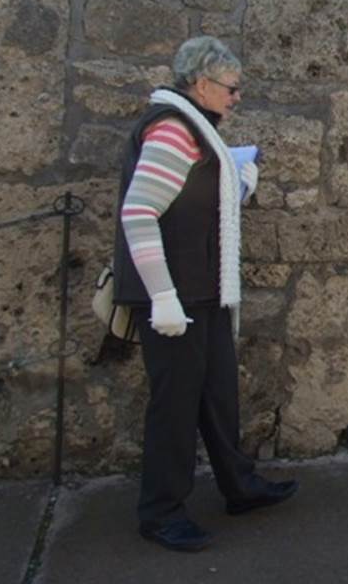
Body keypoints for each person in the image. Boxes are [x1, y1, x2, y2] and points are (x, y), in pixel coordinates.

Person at [112, 35, 297, 552]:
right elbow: (138, 212)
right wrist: (163, 297)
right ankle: (160, 513)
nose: (237, 97)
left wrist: (237, 182)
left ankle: (239, 486)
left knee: (217, 395)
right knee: (174, 406)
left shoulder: (198, 132)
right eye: (232, 88)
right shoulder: (173, 130)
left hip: (203, 292)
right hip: (176, 297)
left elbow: (193, 201)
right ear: (201, 83)